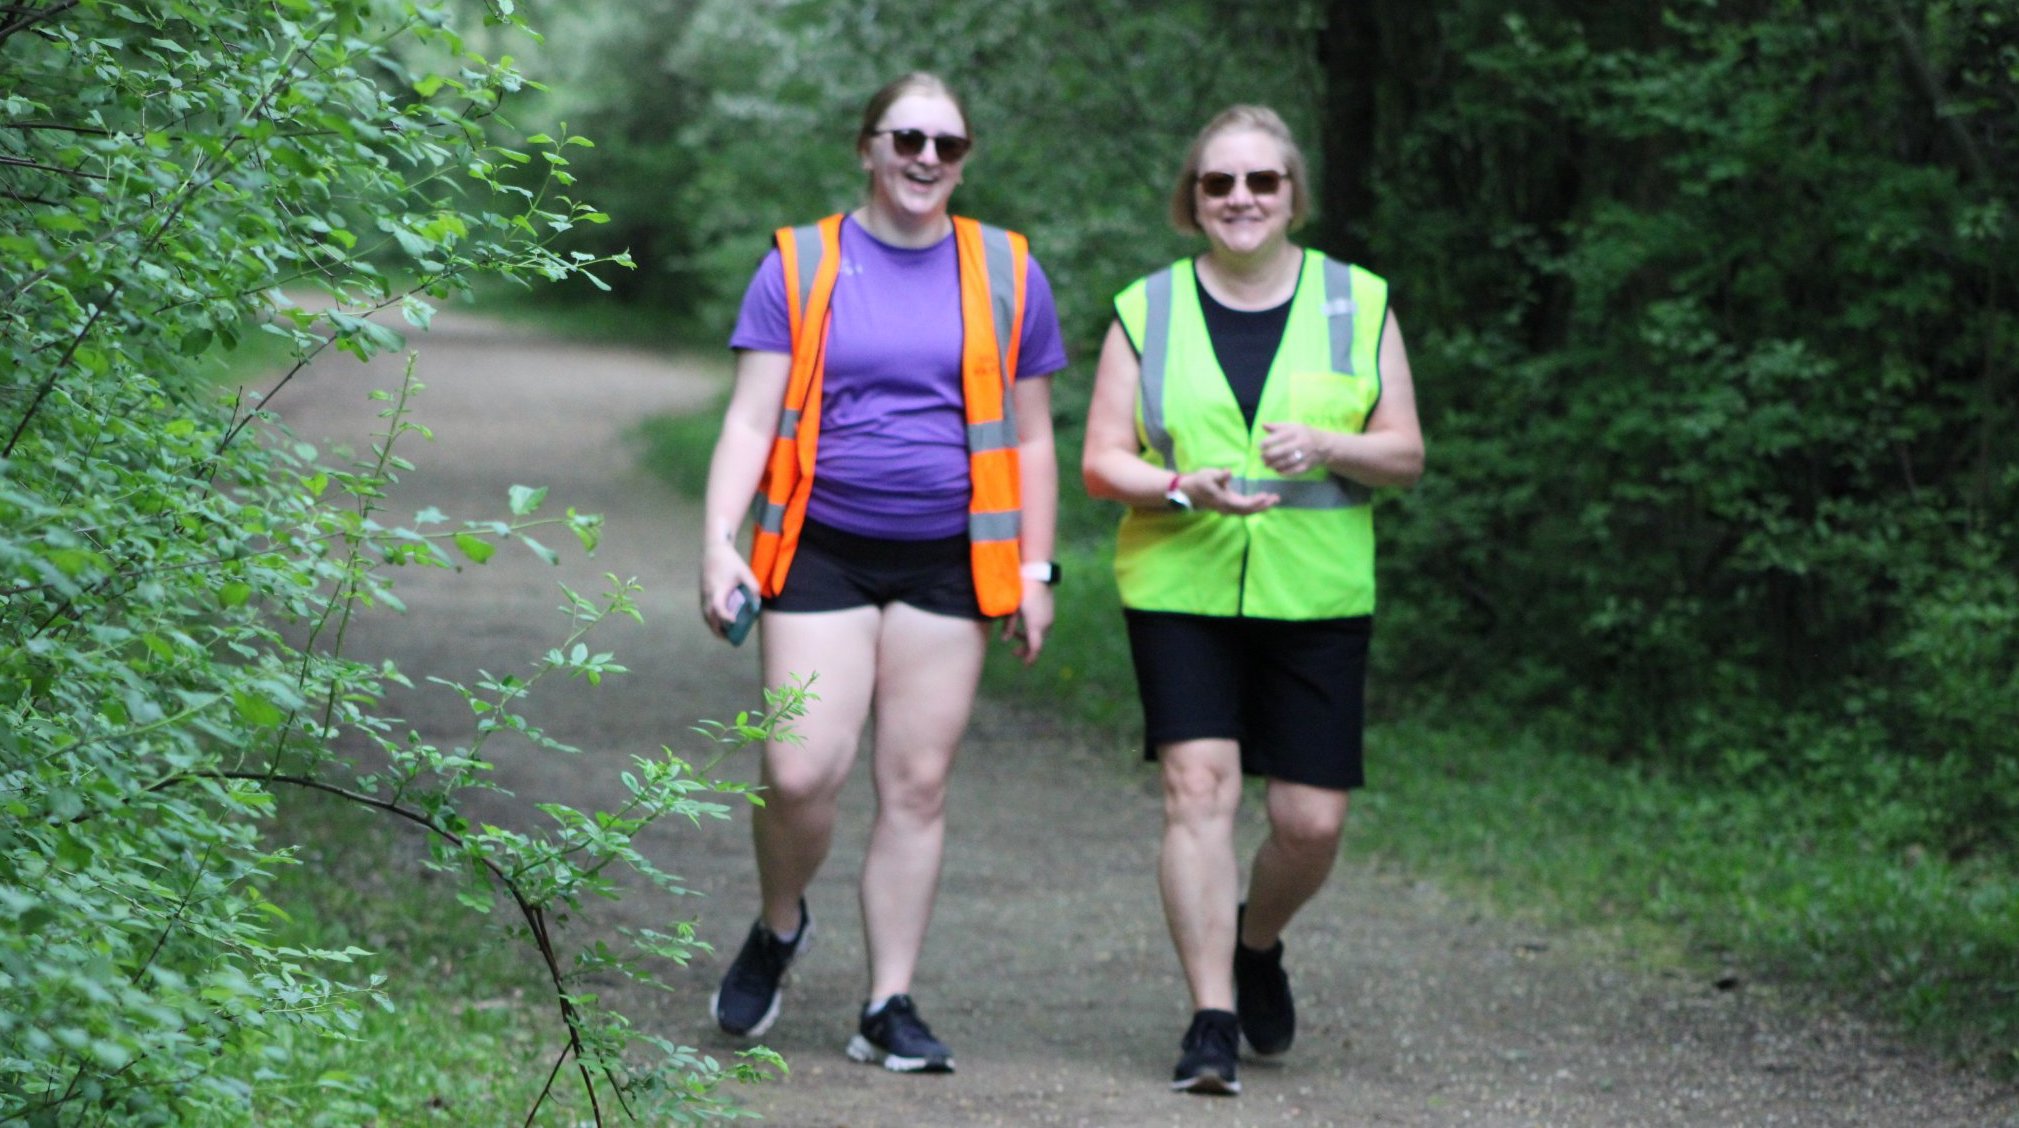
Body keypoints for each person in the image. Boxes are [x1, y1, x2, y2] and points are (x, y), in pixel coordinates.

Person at [696, 72, 1067, 1075]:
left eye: (948, 146)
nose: (927, 161)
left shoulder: (1007, 270)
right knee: (799, 770)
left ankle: (886, 1002)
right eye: (908, 139)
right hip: (821, 546)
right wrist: (719, 536)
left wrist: (1037, 568)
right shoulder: (802, 263)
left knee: (916, 783)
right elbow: (749, 418)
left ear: (965, 160)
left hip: (954, 556)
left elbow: (1033, 440)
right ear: (867, 146)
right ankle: (780, 926)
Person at [1081, 104, 1423, 1096]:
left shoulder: (1358, 302)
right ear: (1192, 200)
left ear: (1292, 197)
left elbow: (1405, 456)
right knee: (1196, 793)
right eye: (1217, 183)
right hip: (1179, 584)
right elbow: (1103, 460)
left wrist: (1332, 445)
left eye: (1260, 182)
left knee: (1311, 823)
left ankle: (1256, 939)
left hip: (1316, 591)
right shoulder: (1147, 308)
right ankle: (1211, 1018)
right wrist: (1177, 485)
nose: (1238, 198)